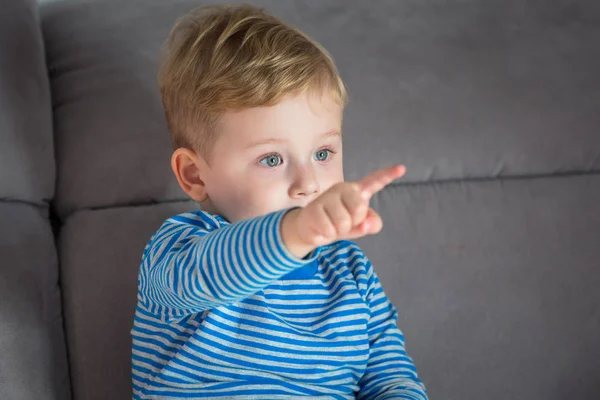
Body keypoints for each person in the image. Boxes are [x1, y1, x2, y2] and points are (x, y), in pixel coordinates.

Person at [131, 4, 428, 399]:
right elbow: (208, 274)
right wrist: (295, 231)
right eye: (272, 159)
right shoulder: (177, 251)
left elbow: (390, 376)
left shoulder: (353, 273)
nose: (309, 184)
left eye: (323, 154)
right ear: (194, 175)